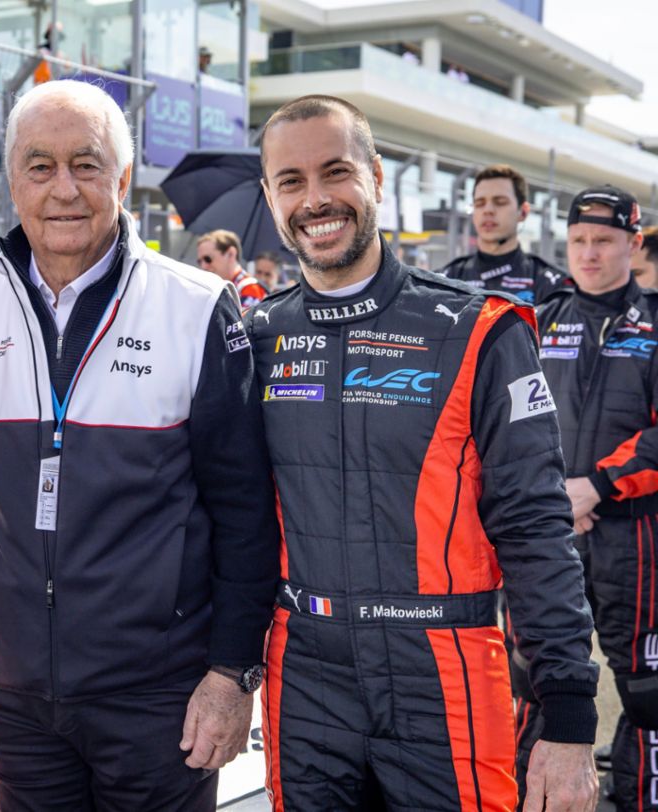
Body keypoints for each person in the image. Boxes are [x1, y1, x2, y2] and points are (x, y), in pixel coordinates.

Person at [0, 79, 280, 810]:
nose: (63, 189)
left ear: (120, 180)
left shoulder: (196, 308)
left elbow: (247, 514)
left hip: (160, 698)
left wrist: (233, 674)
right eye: (40, 165)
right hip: (14, 697)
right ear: (13, 179)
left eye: (86, 165)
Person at [248, 94, 599, 811]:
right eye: (291, 181)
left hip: (444, 667)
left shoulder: (481, 331)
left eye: (335, 171)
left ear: (376, 176)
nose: (315, 200)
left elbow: (535, 526)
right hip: (303, 669)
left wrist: (568, 715)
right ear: (269, 196)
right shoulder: (254, 338)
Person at [530, 185, 655, 811]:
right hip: (549, 537)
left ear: (633, 243)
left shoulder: (656, 321)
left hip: (634, 538)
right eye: (579, 240)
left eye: (603, 240)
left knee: (647, 690)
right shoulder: (543, 318)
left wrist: (598, 485)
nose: (589, 252)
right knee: (535, 682)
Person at [441, 163, 570, 305]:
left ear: (523, 212)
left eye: (500, 202)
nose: (488, 210)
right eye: (479, 203)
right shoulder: (446, 280)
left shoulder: (551, 284)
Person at [195, 228, 266, 308]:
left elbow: (243, 320)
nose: (203, 266)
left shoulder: (249, 287)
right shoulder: (218, 287)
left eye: (208, 259)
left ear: (231, 254)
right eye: (199, 262)